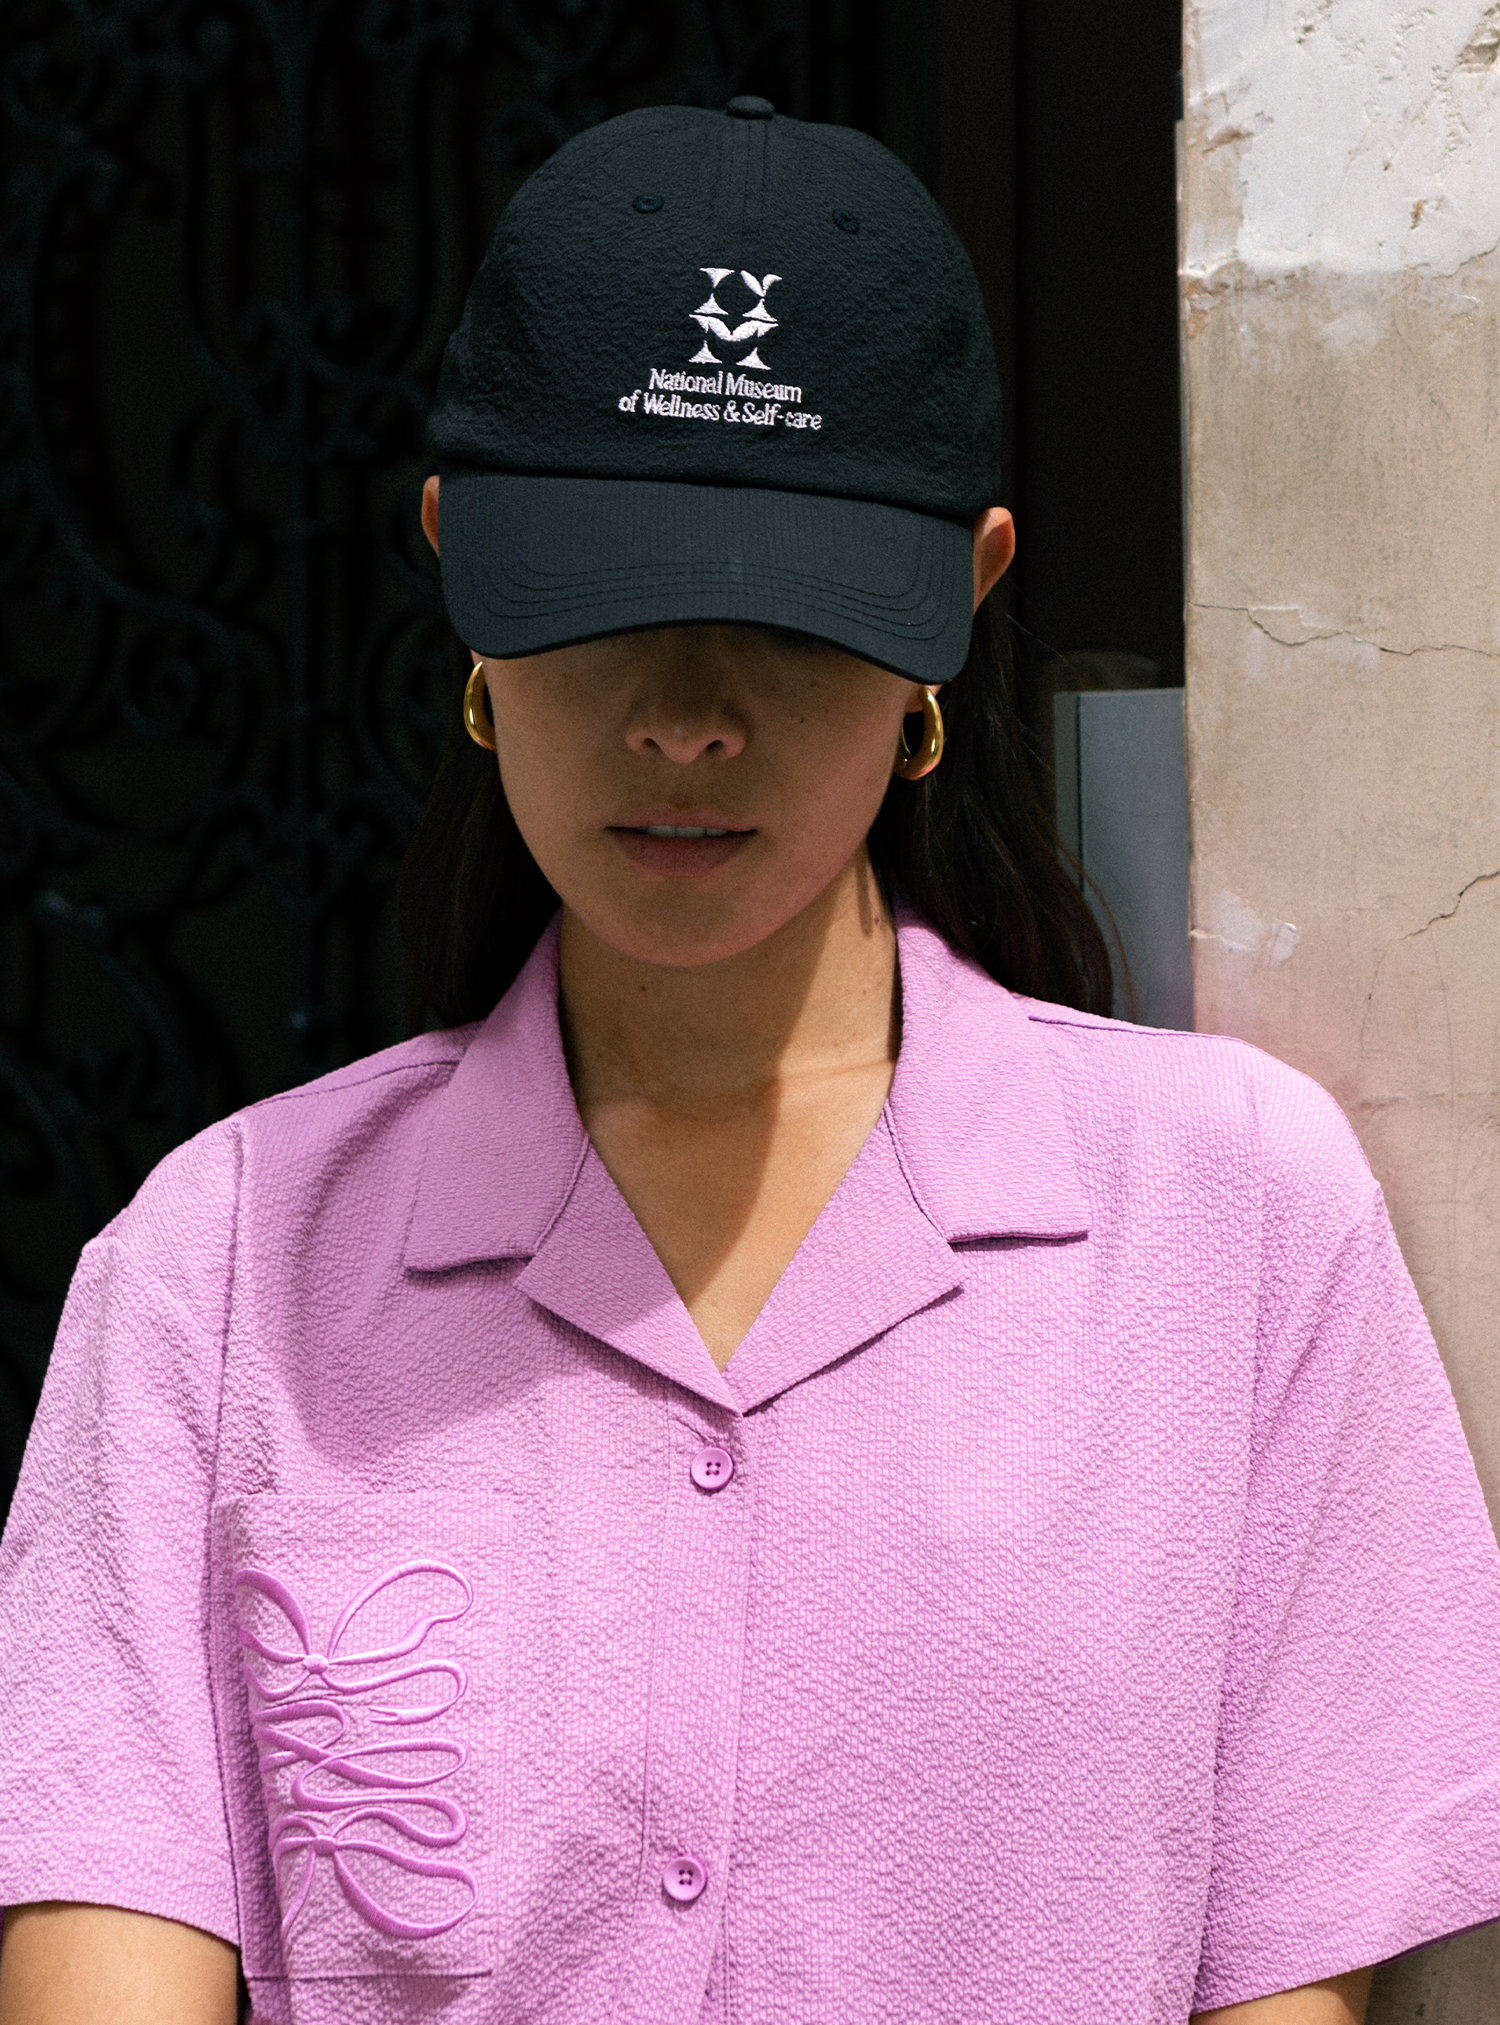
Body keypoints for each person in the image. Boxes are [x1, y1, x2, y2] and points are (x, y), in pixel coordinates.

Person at [2, 97, 1500, 2025]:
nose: (689, 719)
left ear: (959, 599)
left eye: (791, 620)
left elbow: (1294, 1985)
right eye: (604, 602)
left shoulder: (1233, 1227)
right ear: (461, 565)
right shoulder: (215, 1276)